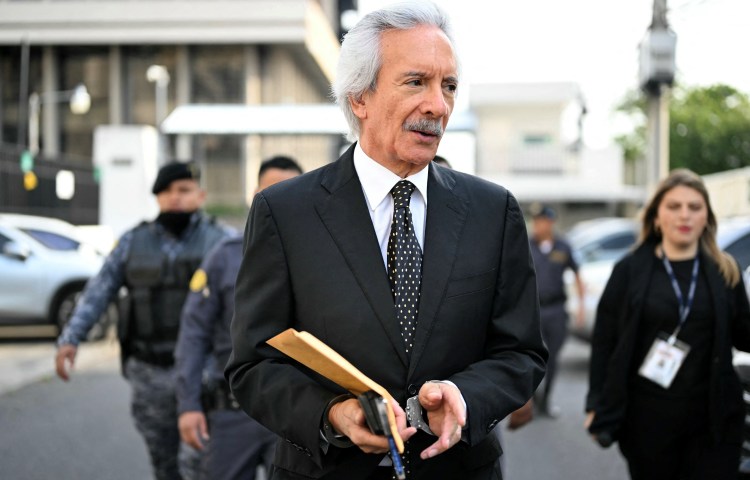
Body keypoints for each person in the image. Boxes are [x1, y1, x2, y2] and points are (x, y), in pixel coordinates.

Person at [225, 3, 547, 479]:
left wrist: (464, 396)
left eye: (449, 86)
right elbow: (252, 365)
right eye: (416, 82)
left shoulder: (493, 211)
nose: (438, 105)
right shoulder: (284, 212)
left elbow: (522, 352)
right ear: (360, 97)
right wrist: (333, 413)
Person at [55, 161, 231, 480]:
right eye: (165, 191)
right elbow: (99, 291)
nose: (174, 198)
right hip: (150, 373)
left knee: (201, 466)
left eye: (183, 190)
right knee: (164, 464)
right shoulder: (132, 242)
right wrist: (71, 337)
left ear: (201, 195)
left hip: (203, 374)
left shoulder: (223, 242)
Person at [585, 169, 750, 479]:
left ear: (707, 218)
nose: (684, 215)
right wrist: (596, 403)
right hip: (648, 419)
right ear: (657, 217)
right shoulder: (629, 270)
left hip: (714, 419)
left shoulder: (725, 271)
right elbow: (605, 341)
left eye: (694, 207)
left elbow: (745, 335)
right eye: (674, 206)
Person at [174, 156, 303, 480]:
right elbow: (193, 335)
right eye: (273, 190)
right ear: (256, 194)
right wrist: (188, 405)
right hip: (233, 415)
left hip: (296, 413)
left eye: (293, 190)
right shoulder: (224, 256)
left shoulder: (320, 260)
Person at [528, 203, 584, 418]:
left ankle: (546, 399)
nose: (538, 225)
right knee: (533, 356)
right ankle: (533, 399)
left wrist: (580, 306)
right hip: (534, 310)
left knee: (553, 357)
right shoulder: (527, 244)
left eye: (542, 221)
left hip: (557, 309)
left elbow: (578, 274)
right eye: (535, 221)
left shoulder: (563, 246)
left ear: (551, 222)